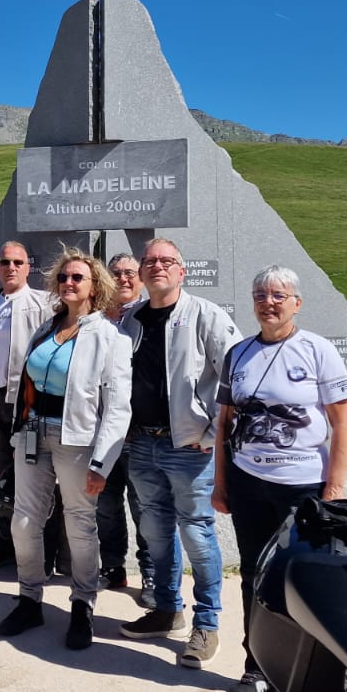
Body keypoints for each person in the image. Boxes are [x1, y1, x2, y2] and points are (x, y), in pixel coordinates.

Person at [213, 265, 347, 692]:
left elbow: (342, 422)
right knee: (253, 573)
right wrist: (221, 485)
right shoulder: (238, 355)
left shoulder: (317, 351)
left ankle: (308, 668)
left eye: (277, 295)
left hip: (303, 486)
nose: (267, 302)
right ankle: (256, 666)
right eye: (260, 294)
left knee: (300, 575)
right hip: (248, 481)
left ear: (296, 303)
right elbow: (225, 423)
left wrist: (333, 488)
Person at [0, 249, 131, 651]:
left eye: (78, 278)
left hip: (77, 440)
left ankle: (82, 604)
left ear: (95, 287)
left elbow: (118, 407)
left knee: (79, 524)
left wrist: (101, 463)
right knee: (23, 521)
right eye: (64, 278)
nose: (69, 284)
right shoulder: (46, 328)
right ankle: (29, 598)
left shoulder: (109, 338)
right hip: (33, 433)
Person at [117, 238, 242, 669]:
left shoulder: (205, 316)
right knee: (154, 531)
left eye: (166, 261)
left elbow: (235, 378)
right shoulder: (130, 319)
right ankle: (167, 609)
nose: (157, 267)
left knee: (198, 536)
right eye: (149, 261)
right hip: (142, 444)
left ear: (181, 271)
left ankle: (207, 622)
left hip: (189, 448)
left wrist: (210, 435)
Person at [0, 241, 55, 571]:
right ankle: (0, 541)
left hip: (30, 404)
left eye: (18, 261)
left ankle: (42, 551)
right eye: (5, 262)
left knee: (36, 474)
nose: (11, 267)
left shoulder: (42, 303)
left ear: (28, 267)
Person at [98, 252, 155, 603]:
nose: (123, 278)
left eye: (130, 273)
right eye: (116, 272)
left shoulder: (149, 317)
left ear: (141, 278)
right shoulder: (97, 319)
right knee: (105, 504)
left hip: (136, 433)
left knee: (142, 505)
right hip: (99, 432)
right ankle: (113, 567)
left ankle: (149, 573)